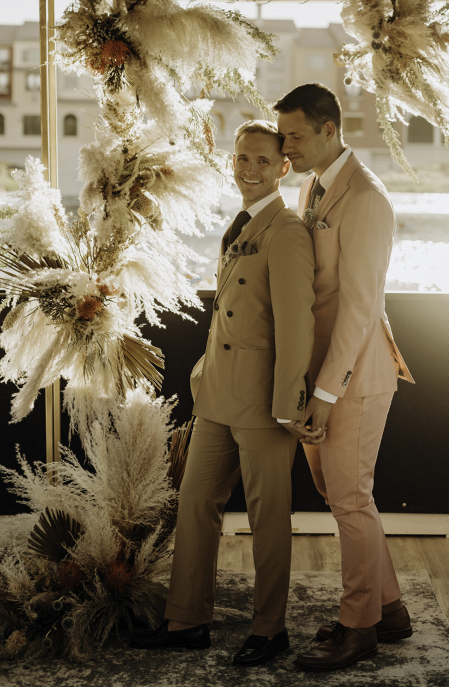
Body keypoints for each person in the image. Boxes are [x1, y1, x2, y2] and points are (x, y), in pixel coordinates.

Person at [131, 119, 316, 666]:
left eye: (263, 161)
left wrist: (288, 405)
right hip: (216, 396)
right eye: (242, 159)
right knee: (193, 505)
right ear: (231, 162)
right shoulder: (240, 223)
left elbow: (296, 326)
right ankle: (187, 620)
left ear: (284, 167)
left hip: (264, 404)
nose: (250, 170)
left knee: (267, 518)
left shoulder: (286, 232)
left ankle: (270, 628)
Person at [274, 83, 415, 673]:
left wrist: (326, 393)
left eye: (295, 136)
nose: (286, 148)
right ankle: (390, 607)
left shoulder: (367, 201)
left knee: (350, 499)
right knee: (341, 494)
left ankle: (358, 629)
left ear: (329, 130)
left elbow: (359, 308)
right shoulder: (311, 185)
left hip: (355, 376)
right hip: (321, 373)